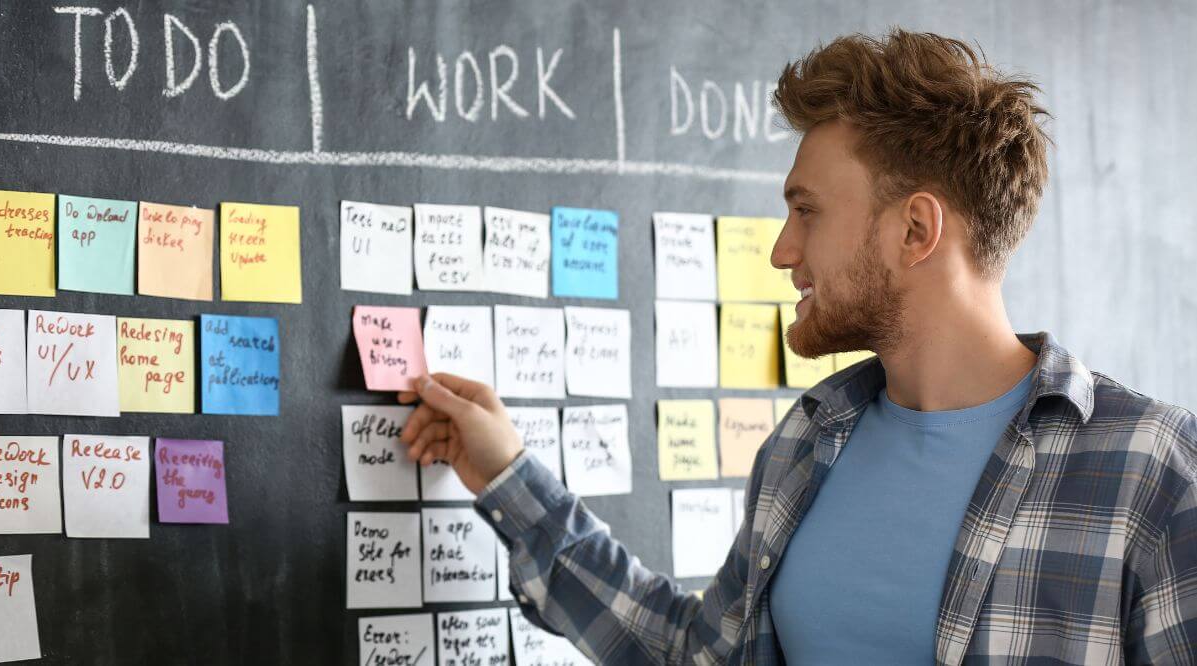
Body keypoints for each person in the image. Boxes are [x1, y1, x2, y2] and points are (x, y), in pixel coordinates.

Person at [397, 28, 1196, 665]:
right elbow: (695, 656)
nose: (782, 251)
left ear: (915, 229)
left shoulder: (1151, 471)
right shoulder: (808, 445)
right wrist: (507, 476)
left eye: (806, 211)